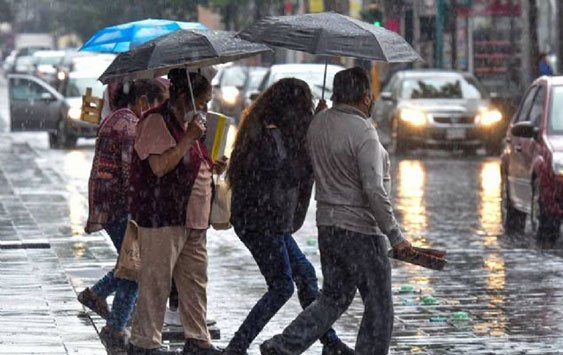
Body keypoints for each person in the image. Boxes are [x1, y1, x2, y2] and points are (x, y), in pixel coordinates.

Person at [260, 67, 415, 355]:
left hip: (328, 227)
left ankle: (284, 345)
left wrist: (319, 117)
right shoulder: (364, 132)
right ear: (366, 97)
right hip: (361, 231)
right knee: (379, 306)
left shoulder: (318, 124)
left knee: (333, 297)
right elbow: (373, 189)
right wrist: (395, 235)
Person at [223, 78, 353, 355]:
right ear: (290, 107)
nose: (306, 110)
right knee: (281, 286)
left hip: (271, 223)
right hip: (258, 222)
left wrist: (315, 125)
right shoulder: (266, 136)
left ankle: (330, 343)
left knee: (305, 275)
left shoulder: (278, 131)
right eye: (304, 105)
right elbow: (289, 174)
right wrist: (311, 132)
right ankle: (237, 346)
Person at [127, 67, 225, 355]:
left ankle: (197, 340)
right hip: (163, 215)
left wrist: (211, 164)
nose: (205, 106)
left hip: (193, 219)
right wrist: (188, 139)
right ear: (185, 95)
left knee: (194, 282)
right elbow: (159, 166)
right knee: (156, 282)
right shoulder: (156, 122)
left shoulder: (188, 123)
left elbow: (190, 160)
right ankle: (144, 343)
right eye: (202, 100)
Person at [78, 79, 169, 350]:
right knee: (136, 266)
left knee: (132, 262)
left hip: (109, 202)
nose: (153, 112)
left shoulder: (115, 117)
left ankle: (101, 302)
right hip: (120, 205)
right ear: (142, 101)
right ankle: (114, 323)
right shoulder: (129, 124)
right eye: (153, 105)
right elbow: (132, 172)